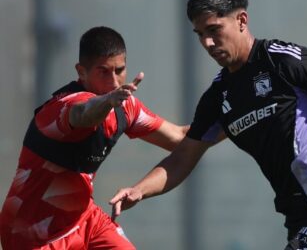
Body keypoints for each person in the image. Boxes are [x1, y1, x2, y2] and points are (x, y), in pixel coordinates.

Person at [109, 0, 307, 250]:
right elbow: (182, 157)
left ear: (241, 20)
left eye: (214, 29)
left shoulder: (283, 62)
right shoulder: (217, 97)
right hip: (298, 218)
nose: (207, 42)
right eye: (200, 34)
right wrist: (139, 190)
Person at [0, 26, 188, 250]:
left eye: (119, 70)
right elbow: (84, 114)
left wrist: (231, 116)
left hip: (85, 219)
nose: (115, 82)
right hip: (33, 234)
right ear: (81, 72)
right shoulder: (63, 106)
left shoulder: (125, 106)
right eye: (103, 72)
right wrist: (107, 102)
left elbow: (180, 138)